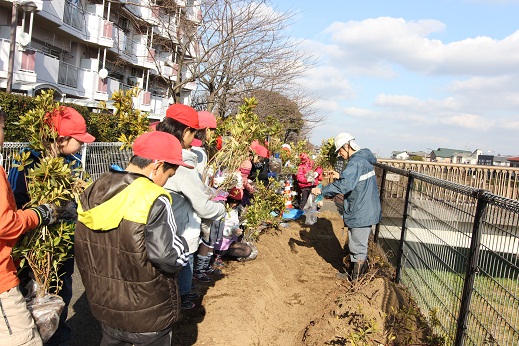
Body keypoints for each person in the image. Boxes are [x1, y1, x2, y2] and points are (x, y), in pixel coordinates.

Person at [74, 131, 190, 346]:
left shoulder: (94, 188)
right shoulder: (152, 197)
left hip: (106, 308)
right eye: (169, 174)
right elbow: (168, 257)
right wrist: (182, 247)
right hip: (148, 312)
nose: (165, 182)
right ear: (157, 165)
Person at [7, 106, 95, 346]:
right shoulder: (26, 162)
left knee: (59, 300)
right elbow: (17, 205)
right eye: (79, 140)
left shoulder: (69, 161)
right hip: (35, 248)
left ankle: (58, 338)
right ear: (62, 138)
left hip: (61, 247)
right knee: (34, 303)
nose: (82, 146)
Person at [0, 108, 72, 346]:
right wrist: (39, 214)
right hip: (4, 277)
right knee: (24, 339)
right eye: (2, 128)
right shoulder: (29, 162)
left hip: (14, 262)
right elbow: (6, 223)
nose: (4, 133)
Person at [157, 105, 226, 310]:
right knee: (184, 264)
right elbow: (203, 207)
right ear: (186, 132)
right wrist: (221, 209)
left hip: (159, 229)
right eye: (194, 132)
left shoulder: (154, 151)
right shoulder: (182, 163)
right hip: (180, 230)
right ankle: (182, 299)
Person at [311, 132, 381, 282]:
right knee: (356, 243)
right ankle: (353, 275)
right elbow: (354, 181)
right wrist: (340, 175)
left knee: (358, 247)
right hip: (364, 207)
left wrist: (322, 190)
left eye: (340, 151)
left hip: (362, 210)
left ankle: (356, 281)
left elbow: (345, 185)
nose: (340, 154)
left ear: (347, 146)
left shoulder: (356, 162)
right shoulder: (362, 160)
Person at [213, 188, 252, 262]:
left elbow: (235, 222)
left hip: (230, 239)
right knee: (247, 250)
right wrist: (231, 231)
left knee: (247, 250)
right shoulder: (222, 208)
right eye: (233, 201)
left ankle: (223, 254)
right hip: (221, 240)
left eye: (237, 202)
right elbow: (218, 228)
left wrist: (237, 229)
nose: (234, 204)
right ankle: (219, 254)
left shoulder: (235, 209)